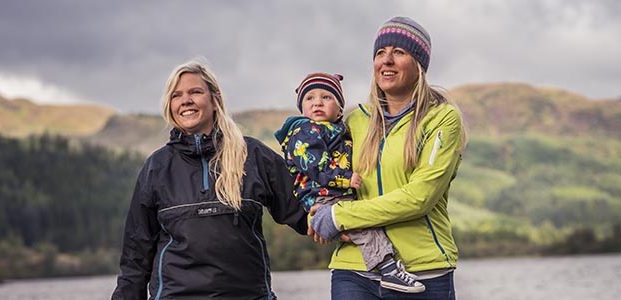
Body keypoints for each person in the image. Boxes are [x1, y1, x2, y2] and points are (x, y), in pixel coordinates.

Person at [111, 59, 307, 300]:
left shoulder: (253, 155)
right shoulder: (156, 167)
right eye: (177, 95)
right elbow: (136, 255)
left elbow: (305, 213)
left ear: (215, 100)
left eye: (195, 92)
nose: (186, 101)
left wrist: (346, 213)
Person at [309, 16, 466, 299]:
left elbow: (419, 198)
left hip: (424, 269)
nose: (387, 60)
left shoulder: (442, 119)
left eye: (399, 52)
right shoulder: (354, 121)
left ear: (419, 64)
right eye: (380, 53)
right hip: (353, 268)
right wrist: (313, 211)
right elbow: (313, 167)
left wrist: (338, 216)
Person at [274, 72, 425, 293]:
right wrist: (345, 180)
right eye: (310, 98)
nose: (317, 102)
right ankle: (389, 269)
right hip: (321, 194)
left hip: (334, 193)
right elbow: (315, 165)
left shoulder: (337, 129)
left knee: (359, 225)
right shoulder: (305, 131)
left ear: (339, 108)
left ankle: (385, 265)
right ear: (302, 107)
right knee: (365, 228)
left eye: (326, 97)